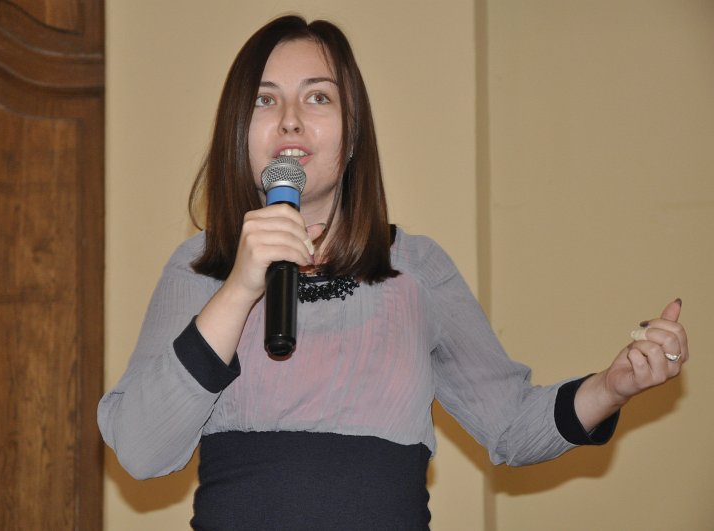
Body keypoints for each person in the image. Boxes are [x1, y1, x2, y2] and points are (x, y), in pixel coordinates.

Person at [98, 15, 689, 530]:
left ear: (353, 131)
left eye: (318, 97)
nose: (291, 121)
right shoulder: (199, 268)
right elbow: (142, 452)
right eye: (264, 99)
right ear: (238, 132)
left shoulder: (417, 267)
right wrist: (238, 288)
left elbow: (511, 426)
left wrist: (612, 387)